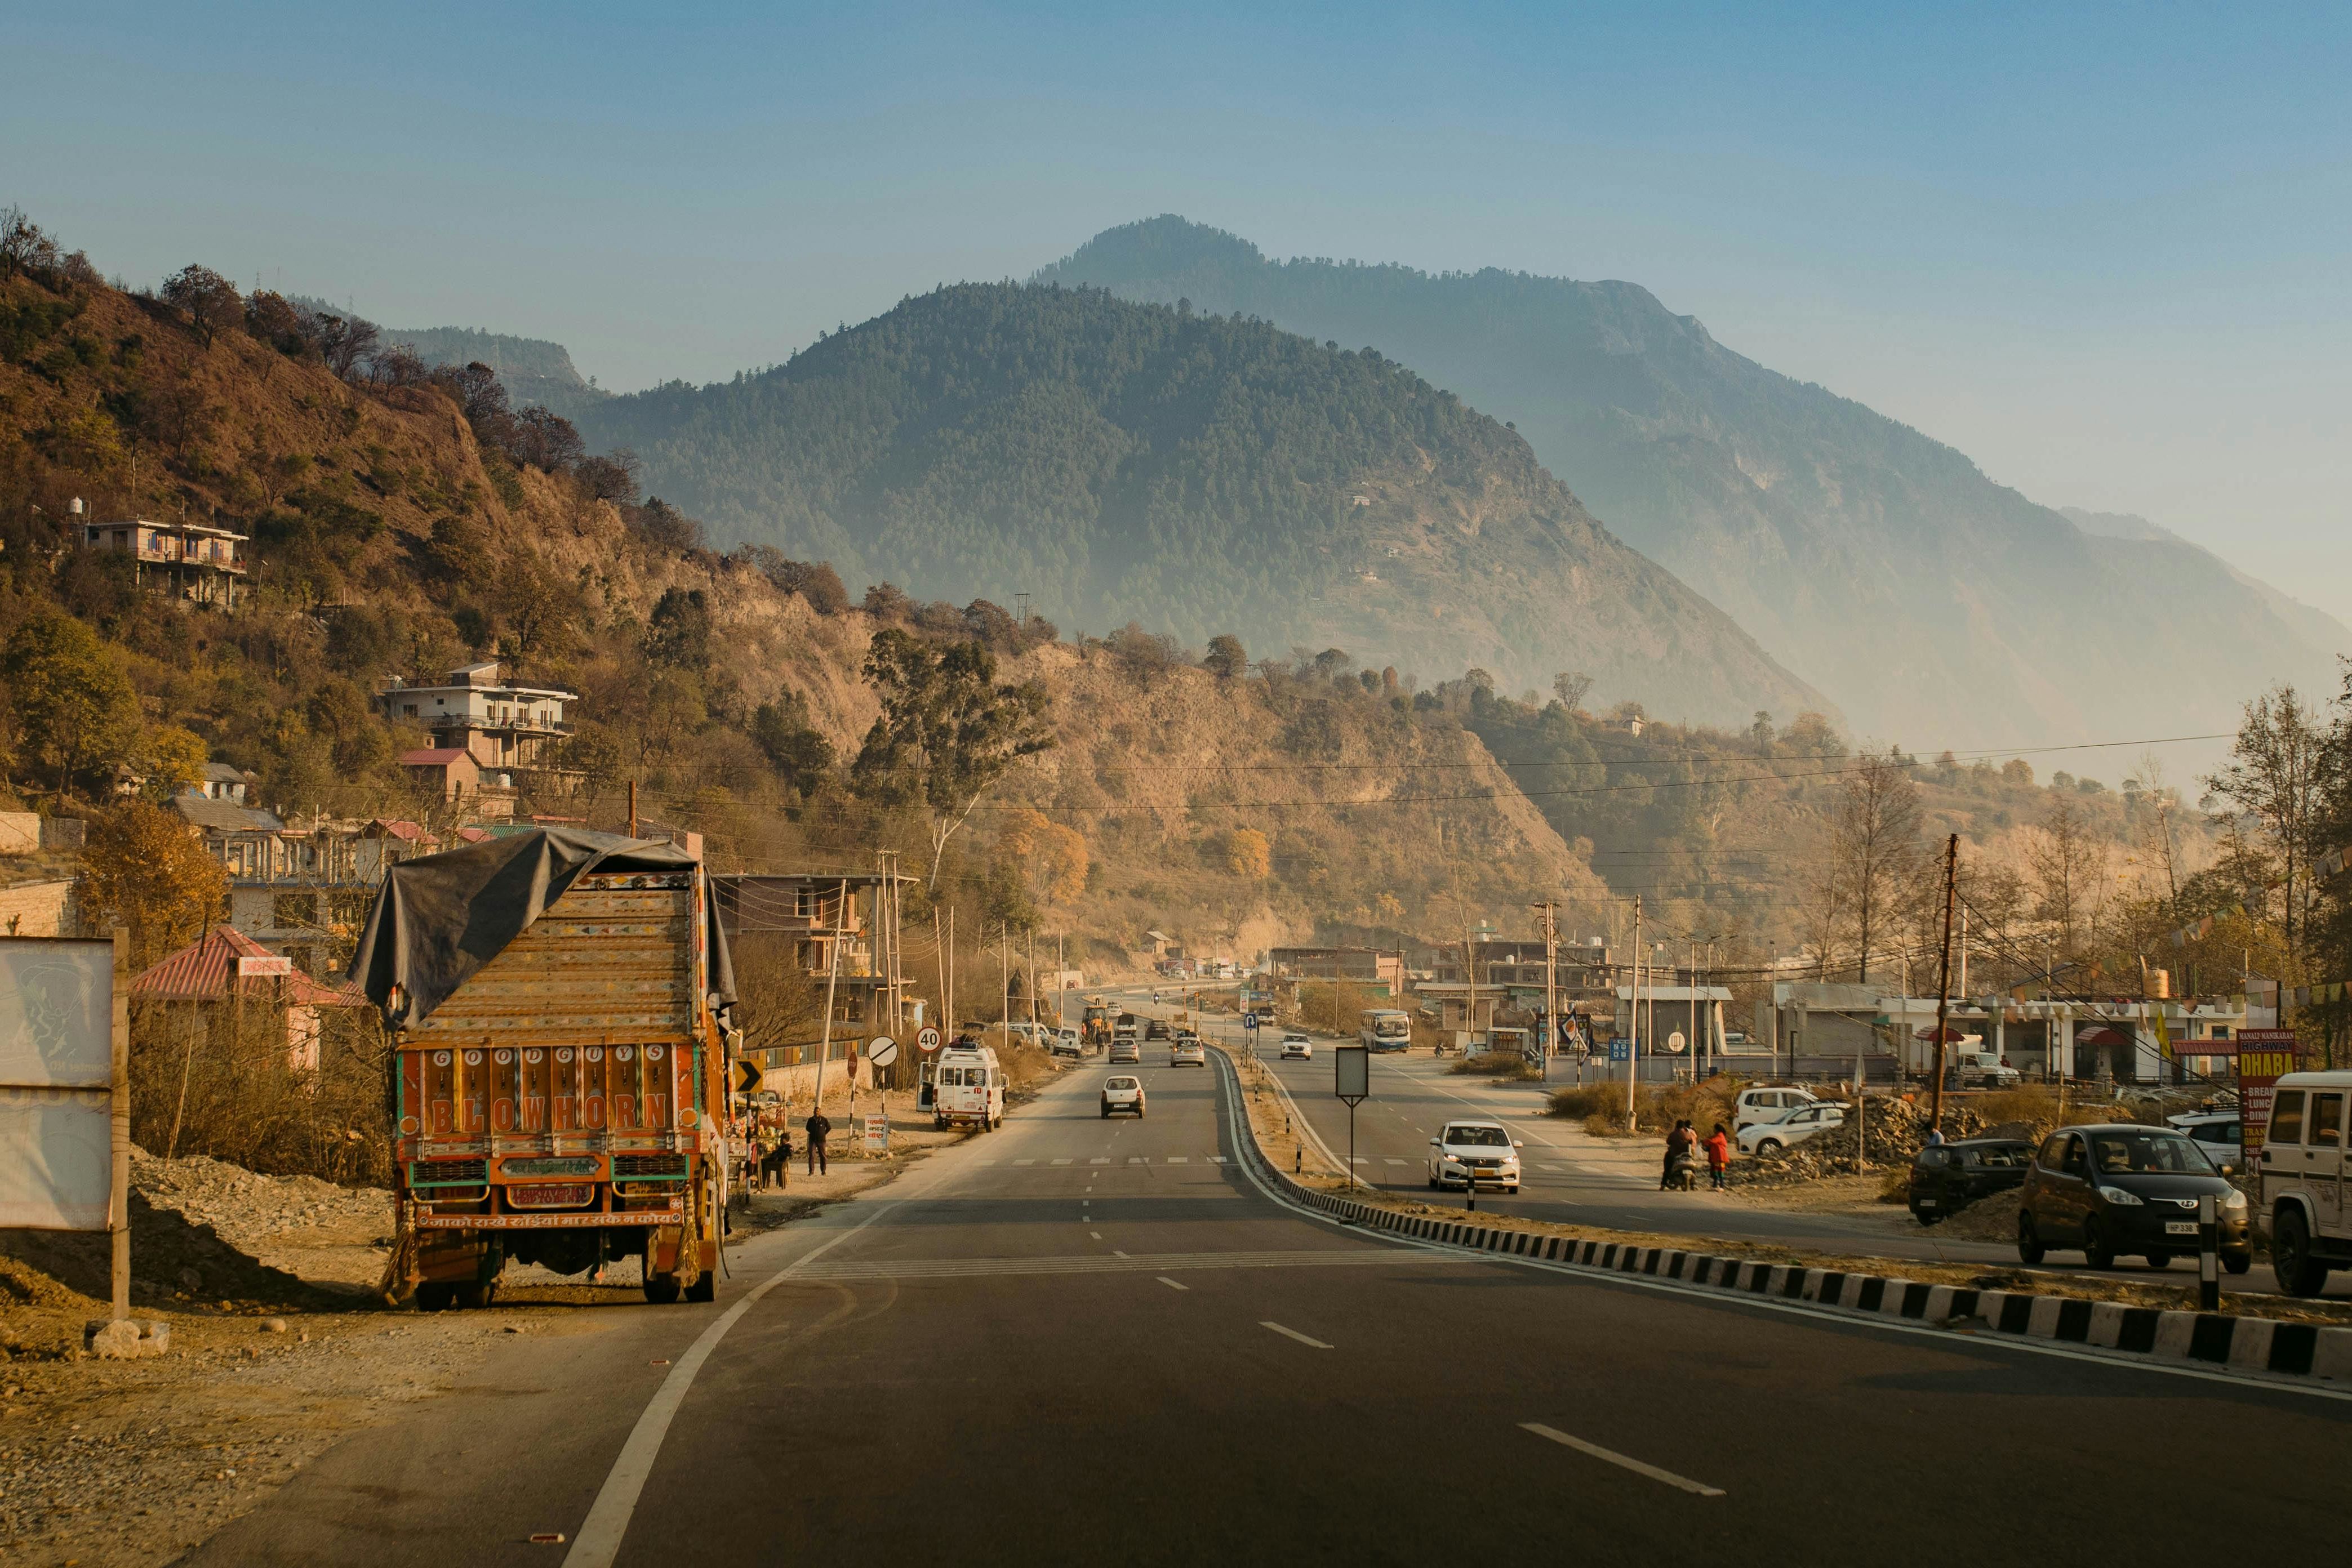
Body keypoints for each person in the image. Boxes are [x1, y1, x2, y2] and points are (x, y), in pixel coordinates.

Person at [1660, 1119, 1696, 1190]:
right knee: (1693, 1167)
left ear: (1676, 1126)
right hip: (1687, 1154)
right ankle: (1693, 1185)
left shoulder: (1673, 1134)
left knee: (1667, 1167)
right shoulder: (1688, 1134)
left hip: (1675, 1154)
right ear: (1684, 1127)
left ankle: (1663, 1184)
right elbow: (1691, 1142)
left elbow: (1668, 1142)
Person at [1705, 1122, 1731, 1191]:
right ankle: (1720, 1185)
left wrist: (1705, 1141)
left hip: (1719, 1157)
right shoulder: (1720, 1136)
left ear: (1717, 1129)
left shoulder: (1719, 1136)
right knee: (1720, 1170)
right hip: (1720, 1157)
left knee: (1717, 1170)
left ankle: (1717, 1185)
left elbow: (1712, 1141)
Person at [806, 1108, 833, 1175]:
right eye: (815, 1111)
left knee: (823, 1156)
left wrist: (823, 1133)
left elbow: (829, 1128)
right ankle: (811, 1171)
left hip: (822, 1141)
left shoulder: (824, 1120)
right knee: (812, 1155)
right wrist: (813, 1132)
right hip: (813, 1140)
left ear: (820, 1112)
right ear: (813, 1112)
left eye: (818, 1111)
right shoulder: (811, 1120)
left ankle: (823, 1171)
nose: (816, 1113)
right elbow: (807, 1128)